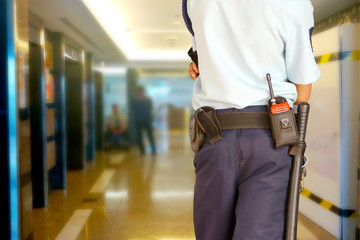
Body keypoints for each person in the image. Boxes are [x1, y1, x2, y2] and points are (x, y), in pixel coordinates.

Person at [183, 0, 321, 239]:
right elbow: (302, 92)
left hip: (214, 136)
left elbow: (202, 63)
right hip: (270, 139)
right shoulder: (295, 4)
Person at [131, 86, 156, 155]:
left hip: (146, 120)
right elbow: (132, 109)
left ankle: (153, 150)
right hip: (138, 121)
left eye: (140, 91)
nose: (139, 93)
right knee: (139, 137)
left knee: (150, 135)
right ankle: (142, 151)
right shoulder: (134, 100)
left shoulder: (147, 100)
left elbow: (150, 109)